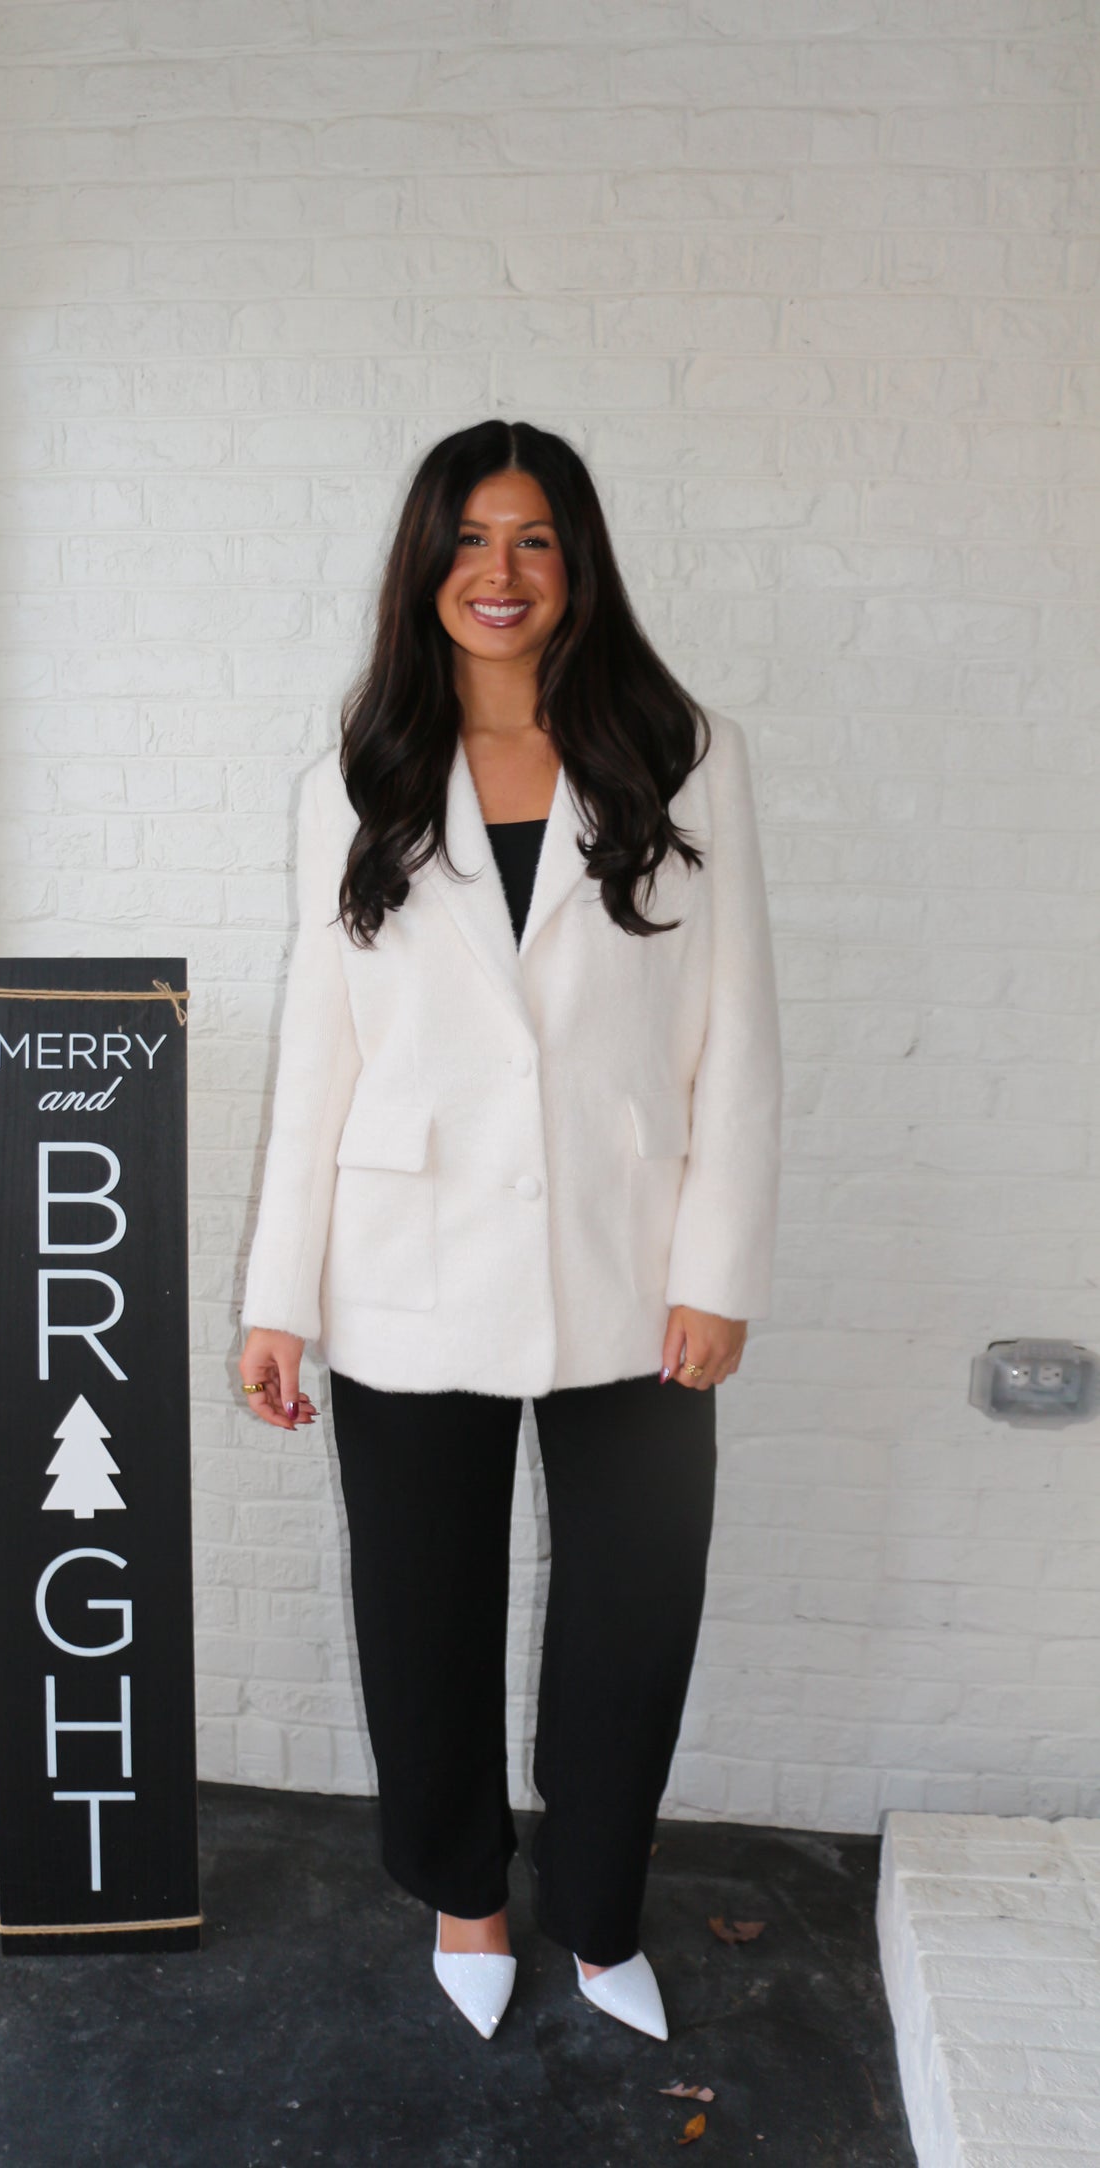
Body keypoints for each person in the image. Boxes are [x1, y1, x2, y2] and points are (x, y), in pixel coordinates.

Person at [236, 418, 783, 2043]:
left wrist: (720, 1269)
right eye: (470, 540)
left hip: (635, 1269)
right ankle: (466, 1900)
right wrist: (280, 1297)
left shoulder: (687, 755)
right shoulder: (351, 777)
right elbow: (316, 1049)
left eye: (532, 538)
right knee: (422, 1611)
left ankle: (601, 1914)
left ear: (577, 563)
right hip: (404, 1270)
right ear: (425, 565)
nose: (500, 572)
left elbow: (737, 1029)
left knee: (632, 1615)